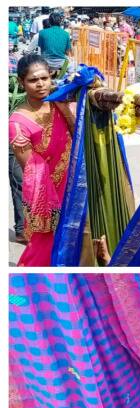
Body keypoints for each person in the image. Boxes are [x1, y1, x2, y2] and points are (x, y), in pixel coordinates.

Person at [9, 55, 75, 267]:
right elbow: (31, 171)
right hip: (47, 196)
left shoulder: (59, 103)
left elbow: (77, 137)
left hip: (73, 184)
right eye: (32, 80)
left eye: (44, 78)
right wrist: (50, 209)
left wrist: (66, 111)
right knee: (43, 247)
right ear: (21, 82)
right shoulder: (17, 123)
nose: (40, 84)